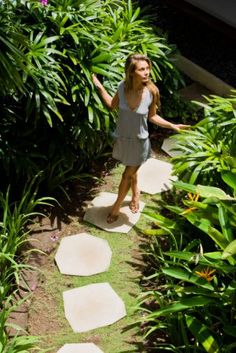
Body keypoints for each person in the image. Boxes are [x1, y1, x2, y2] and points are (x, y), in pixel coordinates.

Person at [92, 53, 189, 224]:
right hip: (123, 138)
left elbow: (152, 116)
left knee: (126, 175)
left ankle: (116, 207)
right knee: (131, 171)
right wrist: (99, 86)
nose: (147, 72)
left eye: (147, 68)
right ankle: (136, 193)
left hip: (139, 142)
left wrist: (172, 125)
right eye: (142, 69)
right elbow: (111, 105)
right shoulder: (122, 87)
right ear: (131, 72)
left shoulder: (152, 92)